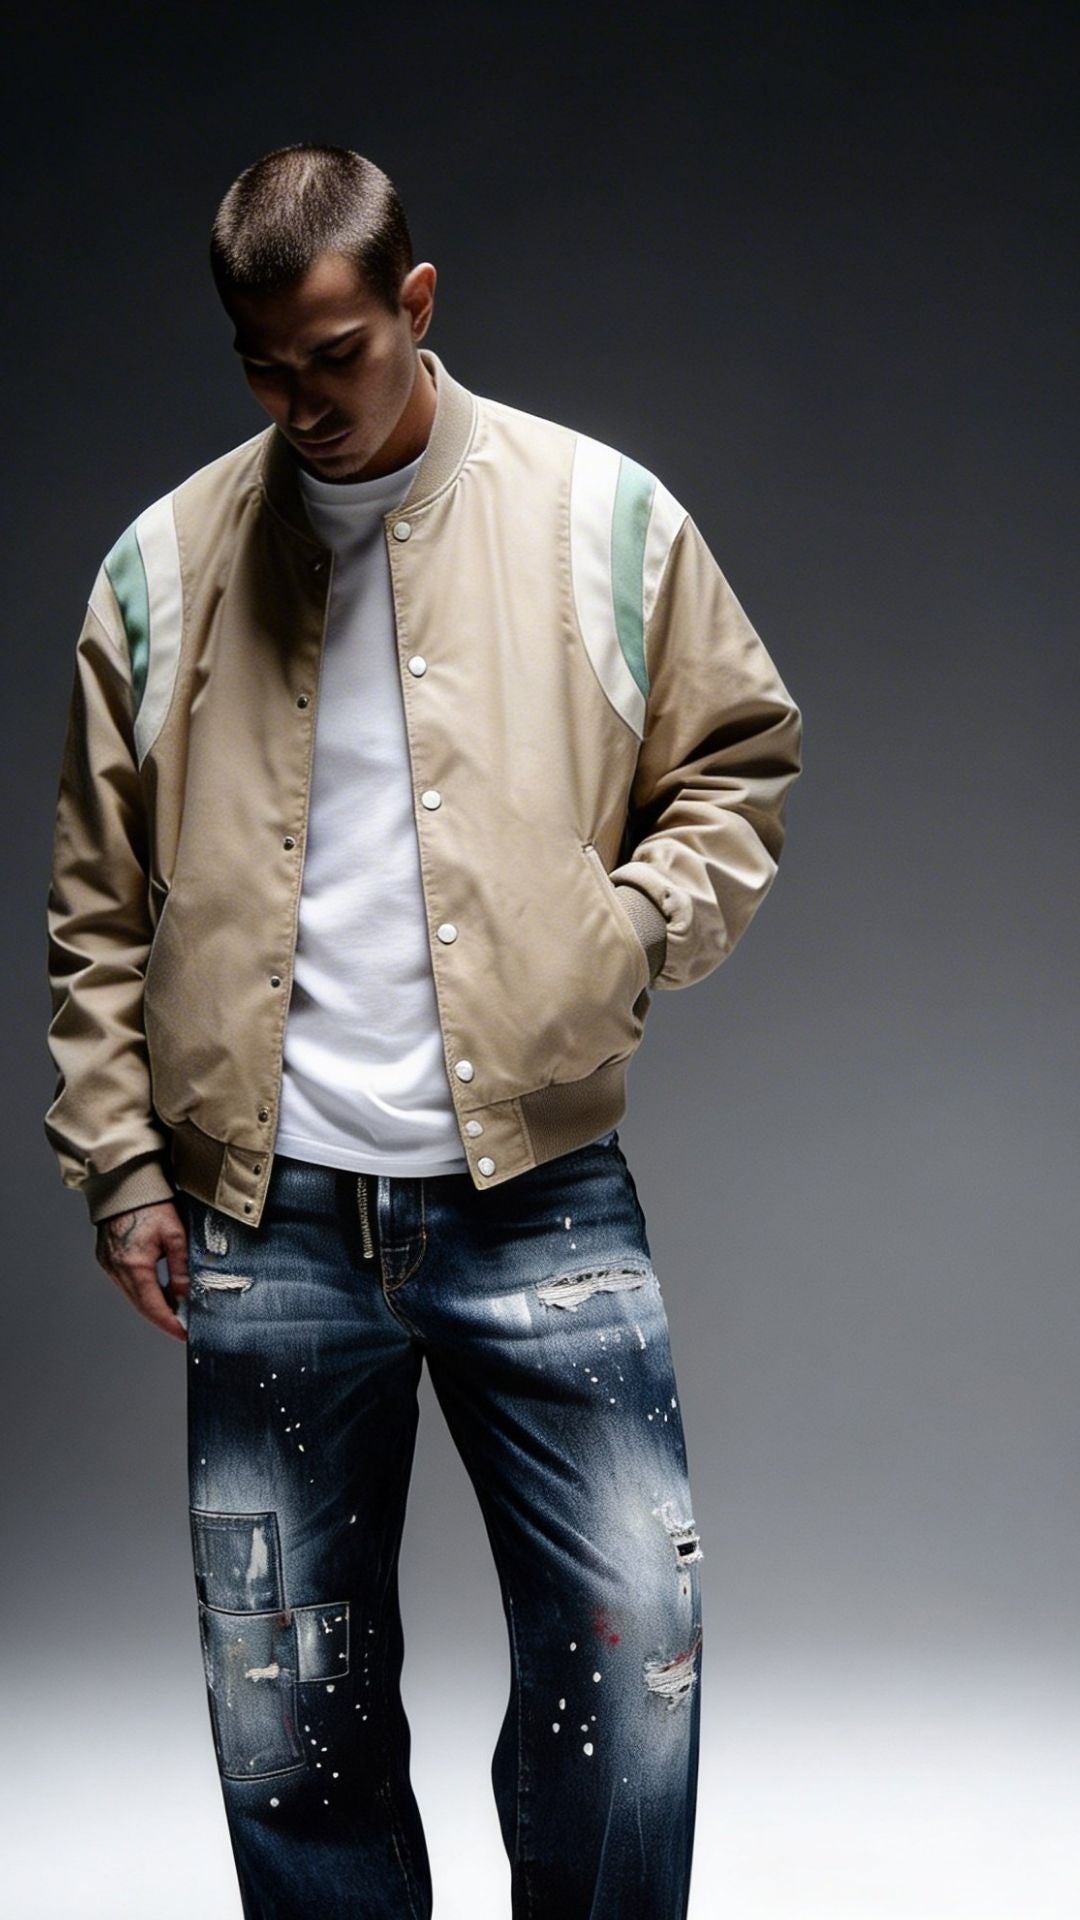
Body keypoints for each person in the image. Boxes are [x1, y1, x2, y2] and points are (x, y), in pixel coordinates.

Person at [43, 141, 803, 1919]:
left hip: (539, 1192)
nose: (303, 402)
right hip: (266, 1218)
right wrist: (122, 1166)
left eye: (338, 355)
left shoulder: (600, 517)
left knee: (633, 1650)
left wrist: (625, 934)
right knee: (285, 1703)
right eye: (264, 367)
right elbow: (96, 903)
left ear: (418, 301)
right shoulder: (161, 569)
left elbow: (738, 762)